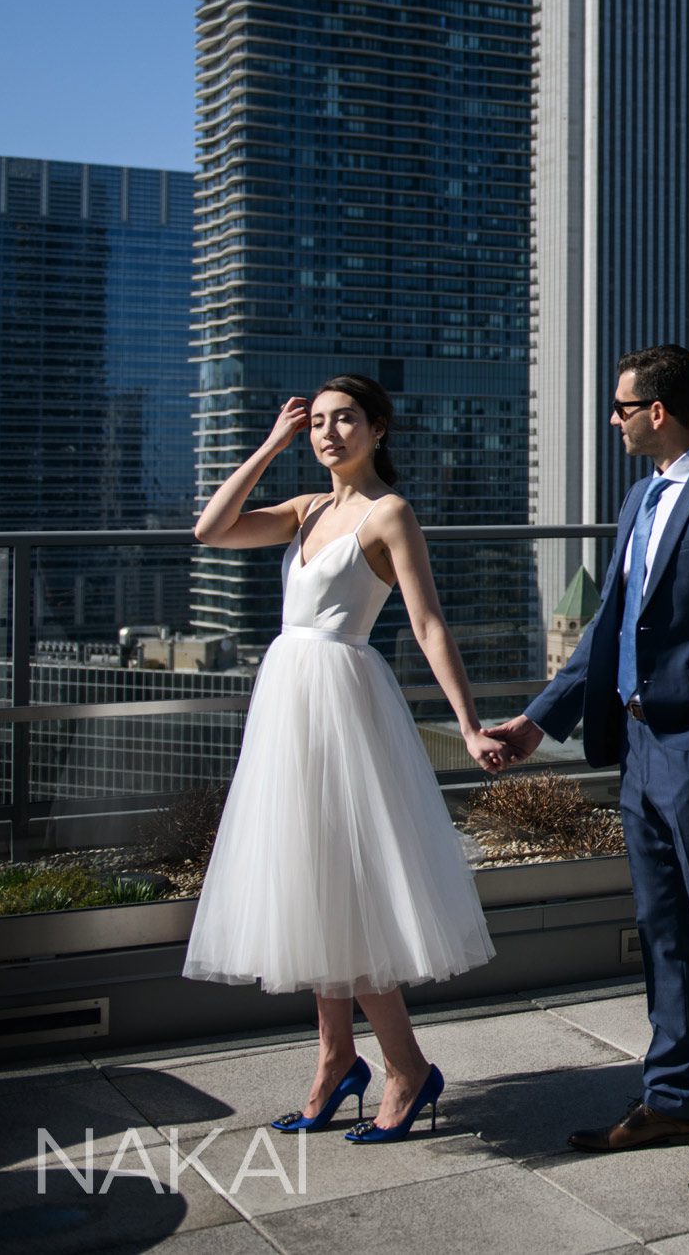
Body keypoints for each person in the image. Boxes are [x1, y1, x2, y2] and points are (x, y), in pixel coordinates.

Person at [486, 344, 689, 1194]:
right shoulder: (638, 498)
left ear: (657, 411)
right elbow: (607, 629)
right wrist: (534, 722)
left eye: (621, 406)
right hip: (635, 747)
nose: (613, 418)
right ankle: (670, 1098)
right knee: (663, 933)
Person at [183, 374, 507, 1143]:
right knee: (309, 884)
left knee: (350, 893)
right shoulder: (306, 510)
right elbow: (210, 529)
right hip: (287, 706)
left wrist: (467, 724)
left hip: (341, 703)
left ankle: (405, 1067)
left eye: (346, 419)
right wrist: (271, 443)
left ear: (378, 429)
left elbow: (427, 622)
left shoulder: (387, 513)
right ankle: (335, 1060)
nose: (330, 432)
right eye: (319, 422)